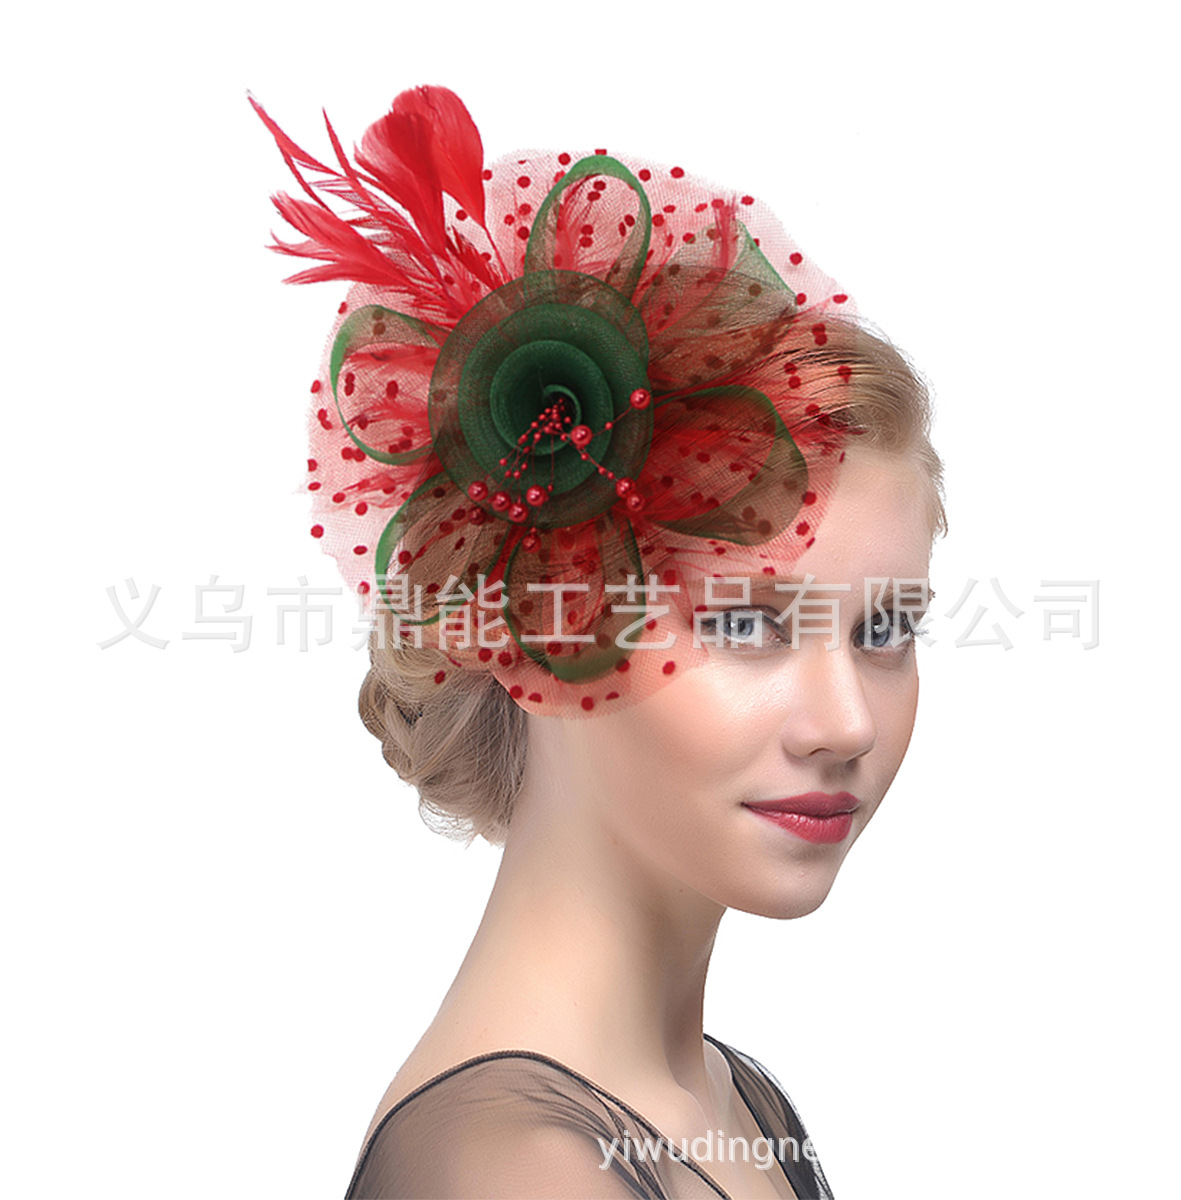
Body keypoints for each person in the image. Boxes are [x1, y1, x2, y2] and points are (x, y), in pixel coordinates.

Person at [257, 85, 945, 1199]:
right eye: (743, 624)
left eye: (886, 629)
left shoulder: (733, 1105)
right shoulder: (520, 1171)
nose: (848, 723)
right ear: (536, 633)